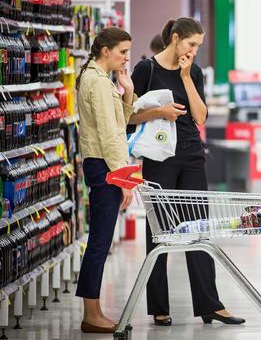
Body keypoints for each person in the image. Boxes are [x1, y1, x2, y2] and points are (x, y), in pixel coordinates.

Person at [129, 17, 245, 326]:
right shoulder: (146, 69)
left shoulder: (192, 71)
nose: (194, 50)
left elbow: (201, 116)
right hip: (159, 156)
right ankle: (159, 307)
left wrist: (187, 78)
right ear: (176, 38)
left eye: (198, 46)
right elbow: (128, 115)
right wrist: (160, 112)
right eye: (192, 44)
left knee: (199, 230)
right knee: (159, 232)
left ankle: (210, 305)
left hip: (192, 153)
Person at [75, 27, 136, 333]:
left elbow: (120, 123)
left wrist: (127, 91)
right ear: (105, 51)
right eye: (123, 52)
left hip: (104, 164)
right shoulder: (96, 81)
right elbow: (109, 135)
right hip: (103, 166)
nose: (126, 58)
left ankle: (94, 309)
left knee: (102, 239)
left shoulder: (102, 79)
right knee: (100, 240)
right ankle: (90, 313)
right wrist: (123, 177)